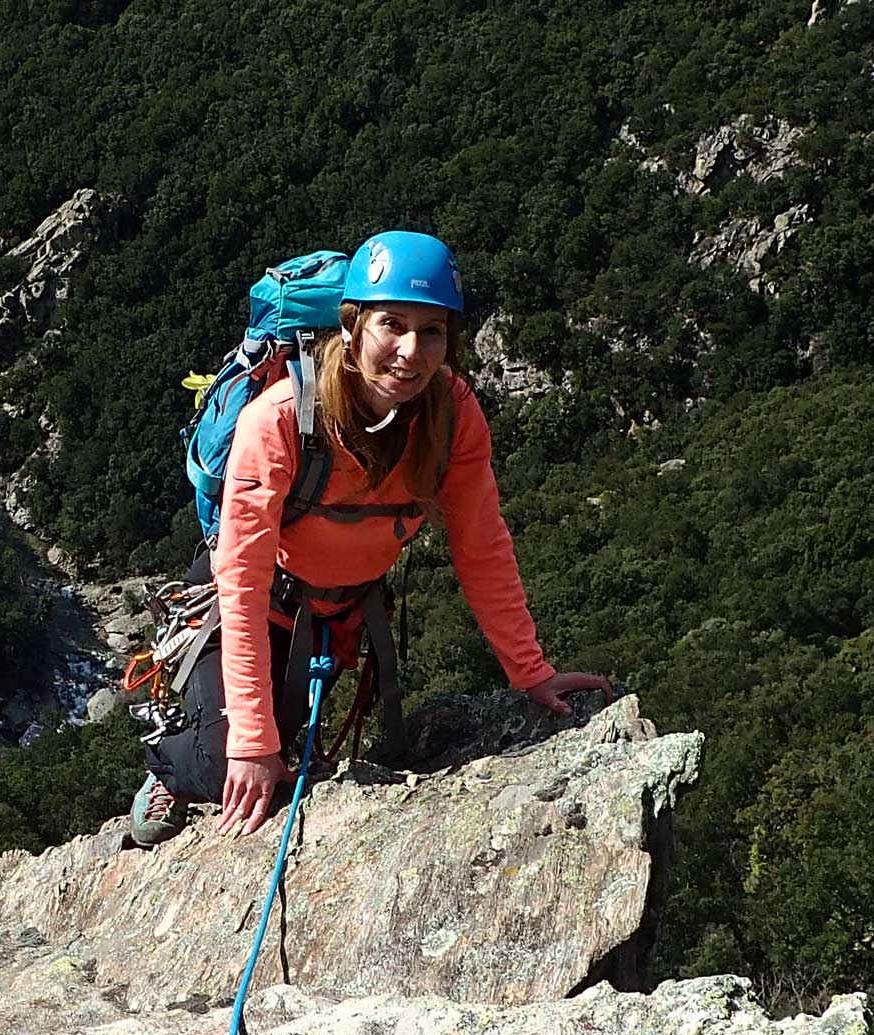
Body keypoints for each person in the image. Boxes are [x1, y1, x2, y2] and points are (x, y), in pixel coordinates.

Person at [129, 230, 611, 846]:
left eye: (432, 331)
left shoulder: (452, 416)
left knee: (290, 762)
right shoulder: (279, 419)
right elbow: (242, 581)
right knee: (237, 764)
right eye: (392, 324)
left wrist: (531, 673)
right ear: (353, 326)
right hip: (250, 603)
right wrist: (250, 740)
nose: (411, 351)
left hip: (337, 614)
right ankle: (169, 762)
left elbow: (481, 544)